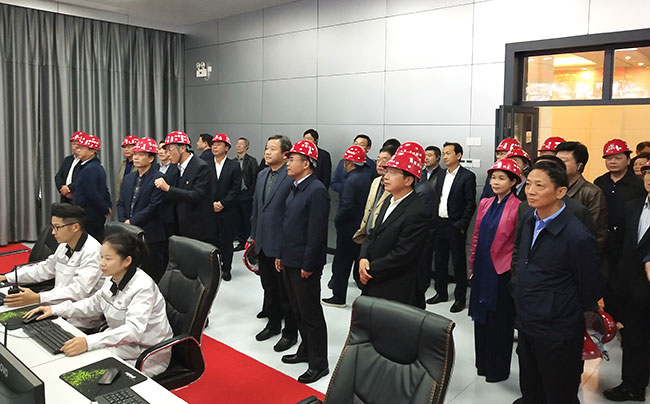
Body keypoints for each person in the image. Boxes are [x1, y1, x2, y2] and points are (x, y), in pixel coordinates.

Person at [513, 159, 603, 404]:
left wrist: (559, 306)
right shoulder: (530, 217)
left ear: (561, 191)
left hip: (557, 327)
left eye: (540, 185)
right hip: (529, 318)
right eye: (529, 184)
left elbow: (591, 285)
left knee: (558, 390)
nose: (531, 191)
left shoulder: (576, 234)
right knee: (531, 384)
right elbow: (521, 257)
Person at [24, 233, 173, 377]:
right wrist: (55, 309)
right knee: (70, 360)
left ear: (127, 261)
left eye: (108, 258)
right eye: (101, 257)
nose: (101, 263)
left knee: (84, 373)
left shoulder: (142, 287)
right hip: (119, 343)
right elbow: (93, 303)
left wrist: (88, 342)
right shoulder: (113, 277)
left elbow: (133, 331)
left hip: (145, 353)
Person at [276, 140, 329, 384]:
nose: (287, 163)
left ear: (306, 164)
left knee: (311, 314)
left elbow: (316, 233)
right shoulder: (295, 187)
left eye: (292, 159)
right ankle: (305, 350)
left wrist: (308, 264)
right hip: (290, 259)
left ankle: (319, 364)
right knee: (297, 310)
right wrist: (281, 254)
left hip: (304, 264)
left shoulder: (316, 190)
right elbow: (288, 225)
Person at [0, 203, 103, 329]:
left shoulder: (93, 252)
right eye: (52, 227)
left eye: (57, 227)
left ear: (75, 227)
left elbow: (78, 291)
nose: (53, 232)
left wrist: (38, 298)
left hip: (78, 319)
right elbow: (44, 269)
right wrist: (7, 277)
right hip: (54, 308)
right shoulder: (64, 245)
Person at [469, 158, 521, 383]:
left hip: (502, 272)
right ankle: (482, 364)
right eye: (493, 178)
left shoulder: (519, 207)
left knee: (499, 321)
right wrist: (472, 263)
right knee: (480, 318)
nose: (495, 182)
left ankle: (497, 369)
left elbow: (517, 244)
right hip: (482, 267)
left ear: (513, 182)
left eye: (501, 178)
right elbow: (476, 235)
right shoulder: (485, 203)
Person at [602, 160, 650, 402]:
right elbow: (623, 246)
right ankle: (632, 386)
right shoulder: (633, 206)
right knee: (633, 339)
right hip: (632, 287)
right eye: (648, 172)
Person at [358, 150, 429, 308]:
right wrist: (363, 258)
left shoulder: (416, 211)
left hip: (395, 286)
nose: (386, 176)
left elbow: (403, 255)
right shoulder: (389, 200)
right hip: (374, 278)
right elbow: (373, 233)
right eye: (387, 171)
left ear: (408, 180)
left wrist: (370, 269)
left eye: (393, 172)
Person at [250, 135, 297, 352]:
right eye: (266, 148)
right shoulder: (262, 175)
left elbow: (291, 216)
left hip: (281, 245)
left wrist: (285, 247)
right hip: (262, 241)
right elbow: (256, 208)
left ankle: (290, 333)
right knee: (268, 287)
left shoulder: (291, 176)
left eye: (272, 149)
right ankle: (273, 324)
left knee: (286, 293)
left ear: (285, 154)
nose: (267, 152)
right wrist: (253, 236)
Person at [594, 139, 646, 320]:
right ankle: (608, 322)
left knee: (624, 284)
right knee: (606, 283)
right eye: (609, 158)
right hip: (605, 241)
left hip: (627, 242)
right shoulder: (599, 182)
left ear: (628, 159)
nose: (613, 162)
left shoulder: (638, 185)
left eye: (618, 157)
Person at [428, 142, 477, 312]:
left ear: (459, 155)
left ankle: (460, 298)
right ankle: (440, 292)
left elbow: (470, 203)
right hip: (439, 223)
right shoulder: (441, 174)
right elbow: (437, 198)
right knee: (440, 261)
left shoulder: (467, 176)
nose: (445, 156)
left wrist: (462, 224)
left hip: (455, 225)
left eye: (448, 153)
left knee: (458, 263)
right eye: (444, 153)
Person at [323, 145, 372, 307]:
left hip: (347, 227)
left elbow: (347, 205)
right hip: (360, 226)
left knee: (342, 263)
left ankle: (338, 297)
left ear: (349, 163)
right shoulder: (366, 178)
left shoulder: (350, 180)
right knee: (358, 260)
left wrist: (337, 221)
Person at [117, 137, 167, 283]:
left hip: (151, 233)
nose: (136, 157)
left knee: (151, 272)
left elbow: (154, 206)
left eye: (140, 154)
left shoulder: (159, 178)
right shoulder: (128, 178)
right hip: (129, 231)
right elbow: (120, 202)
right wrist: (124, 222)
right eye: (135, 154)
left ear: (151, 158)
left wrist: (131, 221)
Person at [154, 131, 215, 244]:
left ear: (182, 148)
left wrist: (168, 188)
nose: (167, 154)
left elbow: (196, 195)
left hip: (197, 228)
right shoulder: (176, 168)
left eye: (170, 150)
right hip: (180, 227)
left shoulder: (201, 167)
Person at [555, 141, 608, 253]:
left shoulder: (592, 193)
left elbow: (596, 233)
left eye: (563, 161)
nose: (557, 165)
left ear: (579, 166)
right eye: (556, 161)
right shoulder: (552, 189)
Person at [209, 133, 242, 281]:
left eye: (219, 144)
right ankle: (212, 268)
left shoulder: (233, 165)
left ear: (227, 147)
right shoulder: (205, 164)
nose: (215, 146)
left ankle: (226, 268)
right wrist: (211, 203)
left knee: (227, 241)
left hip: (228, 209)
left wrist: (223, 203)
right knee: (211, 239)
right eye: (213, 144)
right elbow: (203, 186)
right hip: (209, 209)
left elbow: (235, 188)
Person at [72, 133, 112, 241]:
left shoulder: (91, 168)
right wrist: (106, 207)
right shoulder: (90, 166)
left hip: (90, 215)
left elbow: (92, 193)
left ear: (92, 151)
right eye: (78, 147)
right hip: (89, 214)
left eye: (82, 148)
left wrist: (105, 209)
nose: (78, 150)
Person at [234, 137, 259, 251]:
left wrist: (250, 193)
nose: (238, 146)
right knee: (237, 219)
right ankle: (240, 241)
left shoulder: (251, 161)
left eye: (241, 144)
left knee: (246, 219)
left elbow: (255, 178)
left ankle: (248, 241)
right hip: (235, 194)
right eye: (237, 144)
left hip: (246, 193)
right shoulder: (233, 161)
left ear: (246, 147)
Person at [54, 131, 84, 203]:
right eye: (74, 144)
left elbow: (83, 179)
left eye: (79, 144)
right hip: (65, 198)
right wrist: (63, 190)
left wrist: (69, 188)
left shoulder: (86, 161)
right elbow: (58, 176)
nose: (76, 146)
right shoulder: (67, 160)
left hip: (80, 197)